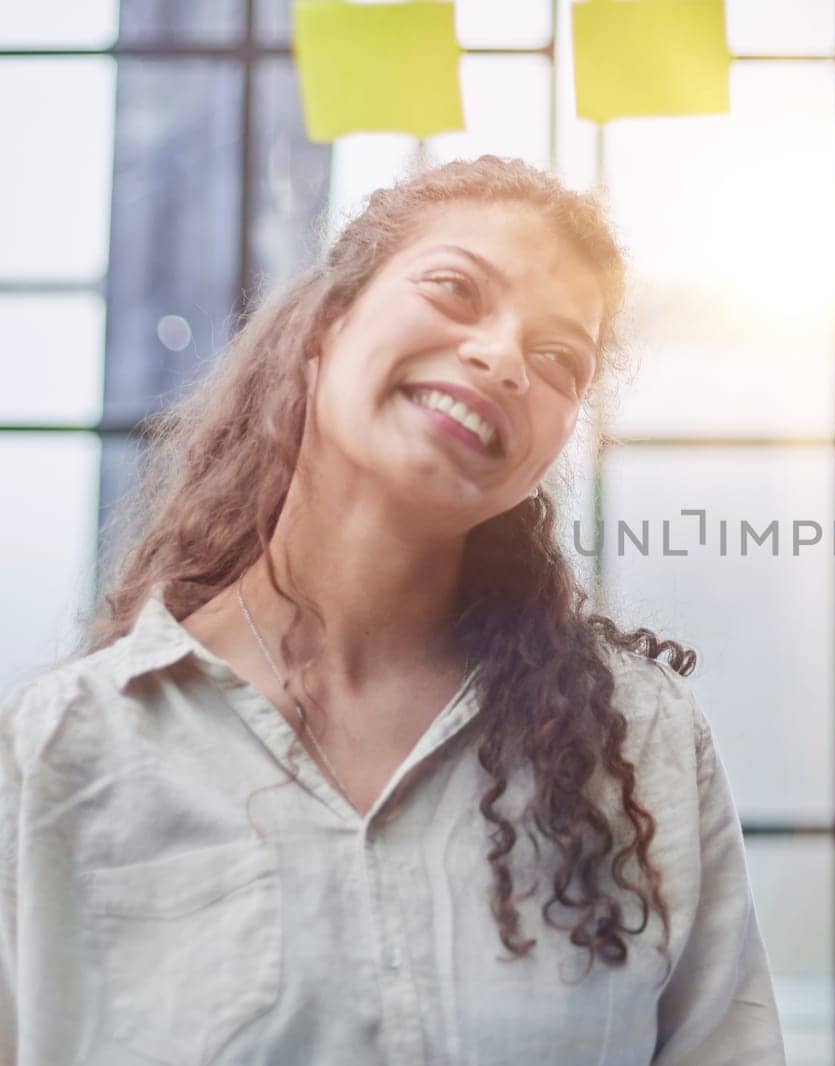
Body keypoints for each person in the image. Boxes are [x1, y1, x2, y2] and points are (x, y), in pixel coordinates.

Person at [0, 156, 785, 1064]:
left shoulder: (643, 742)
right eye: (455, 290)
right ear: (325, 324)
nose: (500, 358)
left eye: (557, 357)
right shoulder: (63, 750)